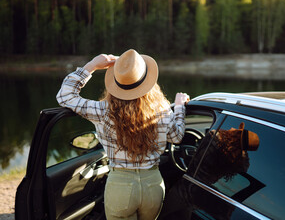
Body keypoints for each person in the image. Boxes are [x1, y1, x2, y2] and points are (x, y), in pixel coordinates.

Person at [56, 49, 189, 220]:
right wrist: (179, 108)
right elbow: (177, 137)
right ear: (148, 81)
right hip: (153, 185)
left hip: (120, 187)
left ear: (116, 84)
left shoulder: (103, 111)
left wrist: (92, 66)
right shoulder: (161, 110)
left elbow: (65, 96)